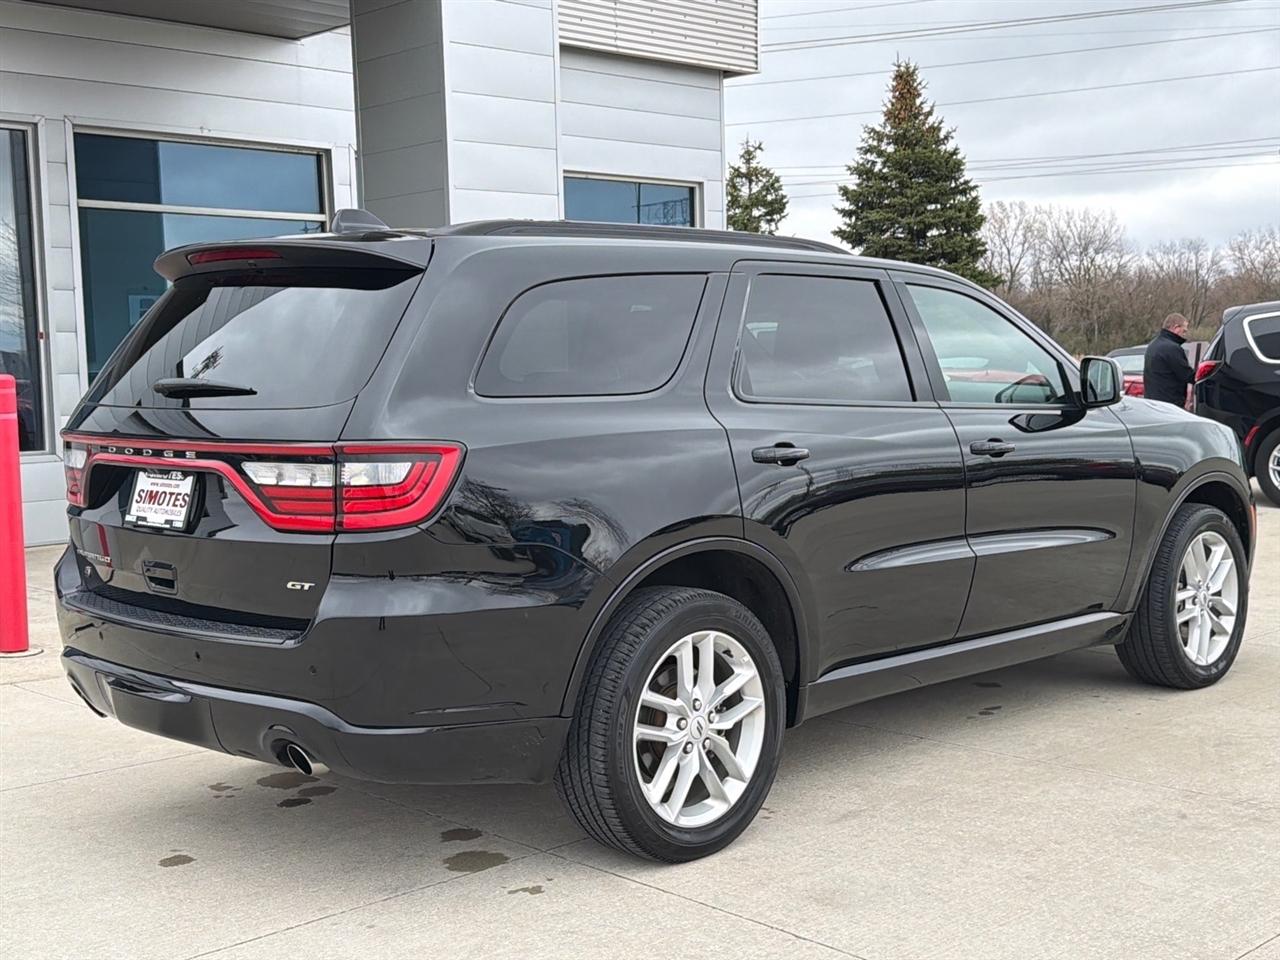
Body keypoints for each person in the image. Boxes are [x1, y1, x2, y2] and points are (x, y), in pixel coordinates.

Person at [1143, 313, 1194, 406]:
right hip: (1169, 404)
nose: (1185, 335)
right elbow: (1187, 375)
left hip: (1152, 401)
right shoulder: (1172, 348)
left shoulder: (1152, 345)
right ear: (1176, 328)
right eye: (1184, 331)